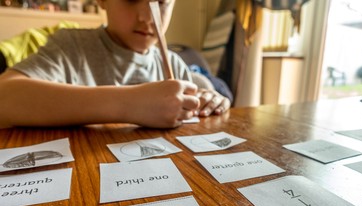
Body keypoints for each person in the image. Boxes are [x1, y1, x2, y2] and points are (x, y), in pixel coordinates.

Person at [0, 0, 231, 129]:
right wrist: (131, 104)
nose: (147, 18)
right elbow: (5, 98)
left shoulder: (173, 63)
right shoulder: (70, 46)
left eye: (161, 3)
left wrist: (210, 100)